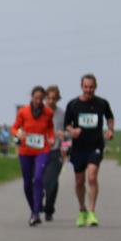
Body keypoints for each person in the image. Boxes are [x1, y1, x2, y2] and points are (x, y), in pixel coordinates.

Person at [63, 74, 115, 227]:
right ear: (81, 86)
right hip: (78, 148)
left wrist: (110, 130)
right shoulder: (73, 104)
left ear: (95, 87)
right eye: (86, 87)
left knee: (91, 177)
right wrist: (72, 131)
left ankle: (92, 212)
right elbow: (66, 125)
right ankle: (82, 210)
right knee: (79, 181)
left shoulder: (102, 103)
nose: (88, 90)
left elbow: (110, 118)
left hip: (95, 146)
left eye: (91, 87)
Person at [11, 87, 56, 226]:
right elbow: (14, 128)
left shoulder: (48, 112)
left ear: (43, 98)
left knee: (37, 178)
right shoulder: (23, 111)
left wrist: (51, 138)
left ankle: (36, 213)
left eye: (40, 98)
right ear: (31, 97)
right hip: (25, 151)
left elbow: (50, 128)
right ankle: (33, 209)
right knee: (27, 184)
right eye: (35, 98)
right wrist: (18, 134)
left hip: (42, 150)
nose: (38, 101)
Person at [41, 85, 66, 221]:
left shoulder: (62, 114)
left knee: (51, 182)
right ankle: (39, 203)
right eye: (48, 98)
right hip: (39, 152)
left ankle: (49, 209)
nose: (51, 101)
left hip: (55, 152)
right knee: (40, 180)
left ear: (57, 99)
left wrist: (65, 147)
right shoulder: (39, 112)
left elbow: (68, 134)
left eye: (54, 98)